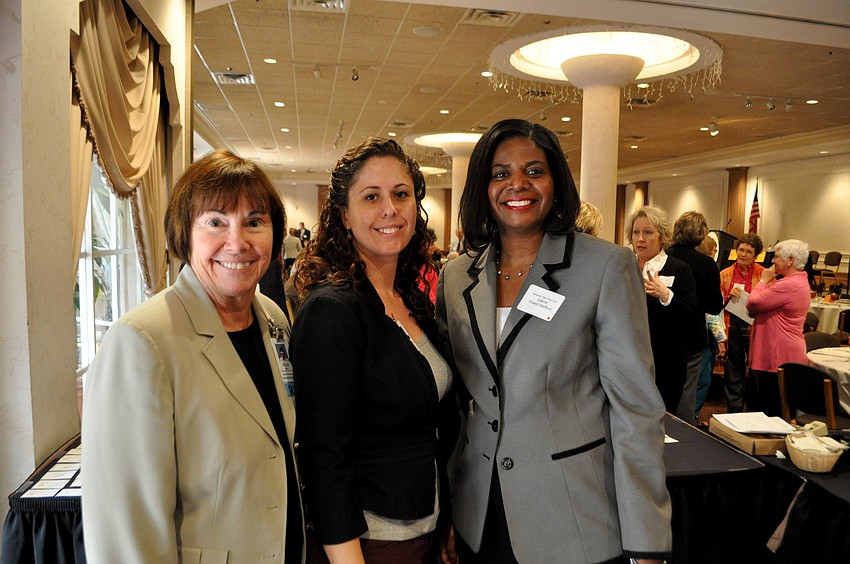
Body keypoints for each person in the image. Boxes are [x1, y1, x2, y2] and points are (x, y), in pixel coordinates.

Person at [437, 119, 671, 563]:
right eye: (501, 173)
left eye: (534, 170)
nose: (517, 184)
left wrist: (647, 541)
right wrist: (451, 509)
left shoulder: (605, 267)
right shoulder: (455, 277)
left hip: (571, 517)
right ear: (483, 187)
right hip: (478, 516)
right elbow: (458, 409)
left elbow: (636, 409)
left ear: (556, 180)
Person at [81, 150, 304, 563]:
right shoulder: (141, 341)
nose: (237, 242)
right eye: (216, 222)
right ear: (185, 233)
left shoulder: (272, 317)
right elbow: (126, 534)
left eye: (254, 222)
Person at [290, 138, 459, 564]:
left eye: (401, 194)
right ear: (344, 215)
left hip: (424, 526)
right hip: (368, 541)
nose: (390, 209)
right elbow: (324, 458)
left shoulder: (410, 297)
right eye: (372, 197)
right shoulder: (333, 310)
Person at [628, 206, 699, 414]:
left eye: (648, 232)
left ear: (662, 236)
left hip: (664, 365)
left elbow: (690, 317)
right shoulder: (623, 266)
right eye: (635, 232)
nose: (640, 239)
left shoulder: (678, 269)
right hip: (628, 361)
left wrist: (667, 296)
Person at [666, 211, 724, 425]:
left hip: (662, 332)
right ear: (701, 235)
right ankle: (683, 437)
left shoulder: (663, 257)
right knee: (687, 391)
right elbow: (714, 305)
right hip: (691, 334)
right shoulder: (706, 264)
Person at [746, 239, 811, 416]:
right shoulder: (795, 282)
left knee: (772, 410)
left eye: (776, 257)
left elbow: (753, 302)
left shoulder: (788, 284)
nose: (773, 261)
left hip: (778, 353)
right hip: (783, 350)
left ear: (790, 260)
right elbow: (761, 307)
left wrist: (762, 280)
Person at [719, 233, 764, 412]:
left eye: (748, 251)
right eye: (741, 250)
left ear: (755, 255)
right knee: (733, 371)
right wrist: (727, 296)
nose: (743, 254)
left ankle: (755, 411)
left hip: (754, 324)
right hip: (732, 325)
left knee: (755, 369)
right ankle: (734, 411)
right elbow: (716, 303)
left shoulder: (763, 274)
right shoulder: (725, 274)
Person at [695, 235, 727, 421]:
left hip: (700, 331)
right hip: (707, 334)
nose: (716, 253)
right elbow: (712, 314)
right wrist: (721, 339)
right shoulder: (709, 269)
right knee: (703, 379)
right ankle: (694, 416)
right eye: (714, 250)